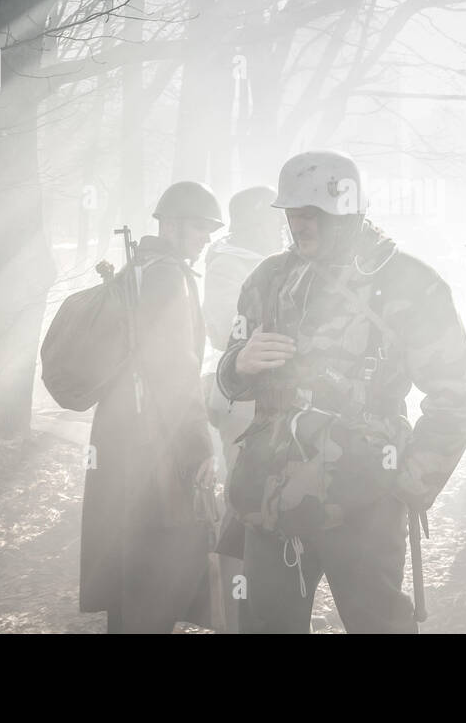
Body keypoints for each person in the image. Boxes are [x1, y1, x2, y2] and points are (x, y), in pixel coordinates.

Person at [216, 150, 466, 634]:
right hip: (268, 497)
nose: (300, 225)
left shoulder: (410, 284)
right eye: (293, 213)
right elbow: (229, 372)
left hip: (363, 499)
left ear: (351, 211)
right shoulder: (268, 279)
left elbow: (456, 397)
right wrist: (239, 363)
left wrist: (405, 486)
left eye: (313, 213)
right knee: (264, 625)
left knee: (379, 627)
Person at [79, 181, 223, 633]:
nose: (205, 239)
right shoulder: (168, 277)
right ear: (175, 226)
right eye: (201, 228)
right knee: (158, 571)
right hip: (155, 447)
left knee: (132, 569)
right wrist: (201, 449)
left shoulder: (139, 268)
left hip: (122, 438)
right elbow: (176, 373)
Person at [201, 185, 282, 632]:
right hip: (242, 401)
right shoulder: (230, 266)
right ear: (250, 220)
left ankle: (263, 600)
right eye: (271, 219)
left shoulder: (275, 262)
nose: (280, 227)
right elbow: (221, 330)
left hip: (270, 400)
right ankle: (236, 614)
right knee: (244, 505)